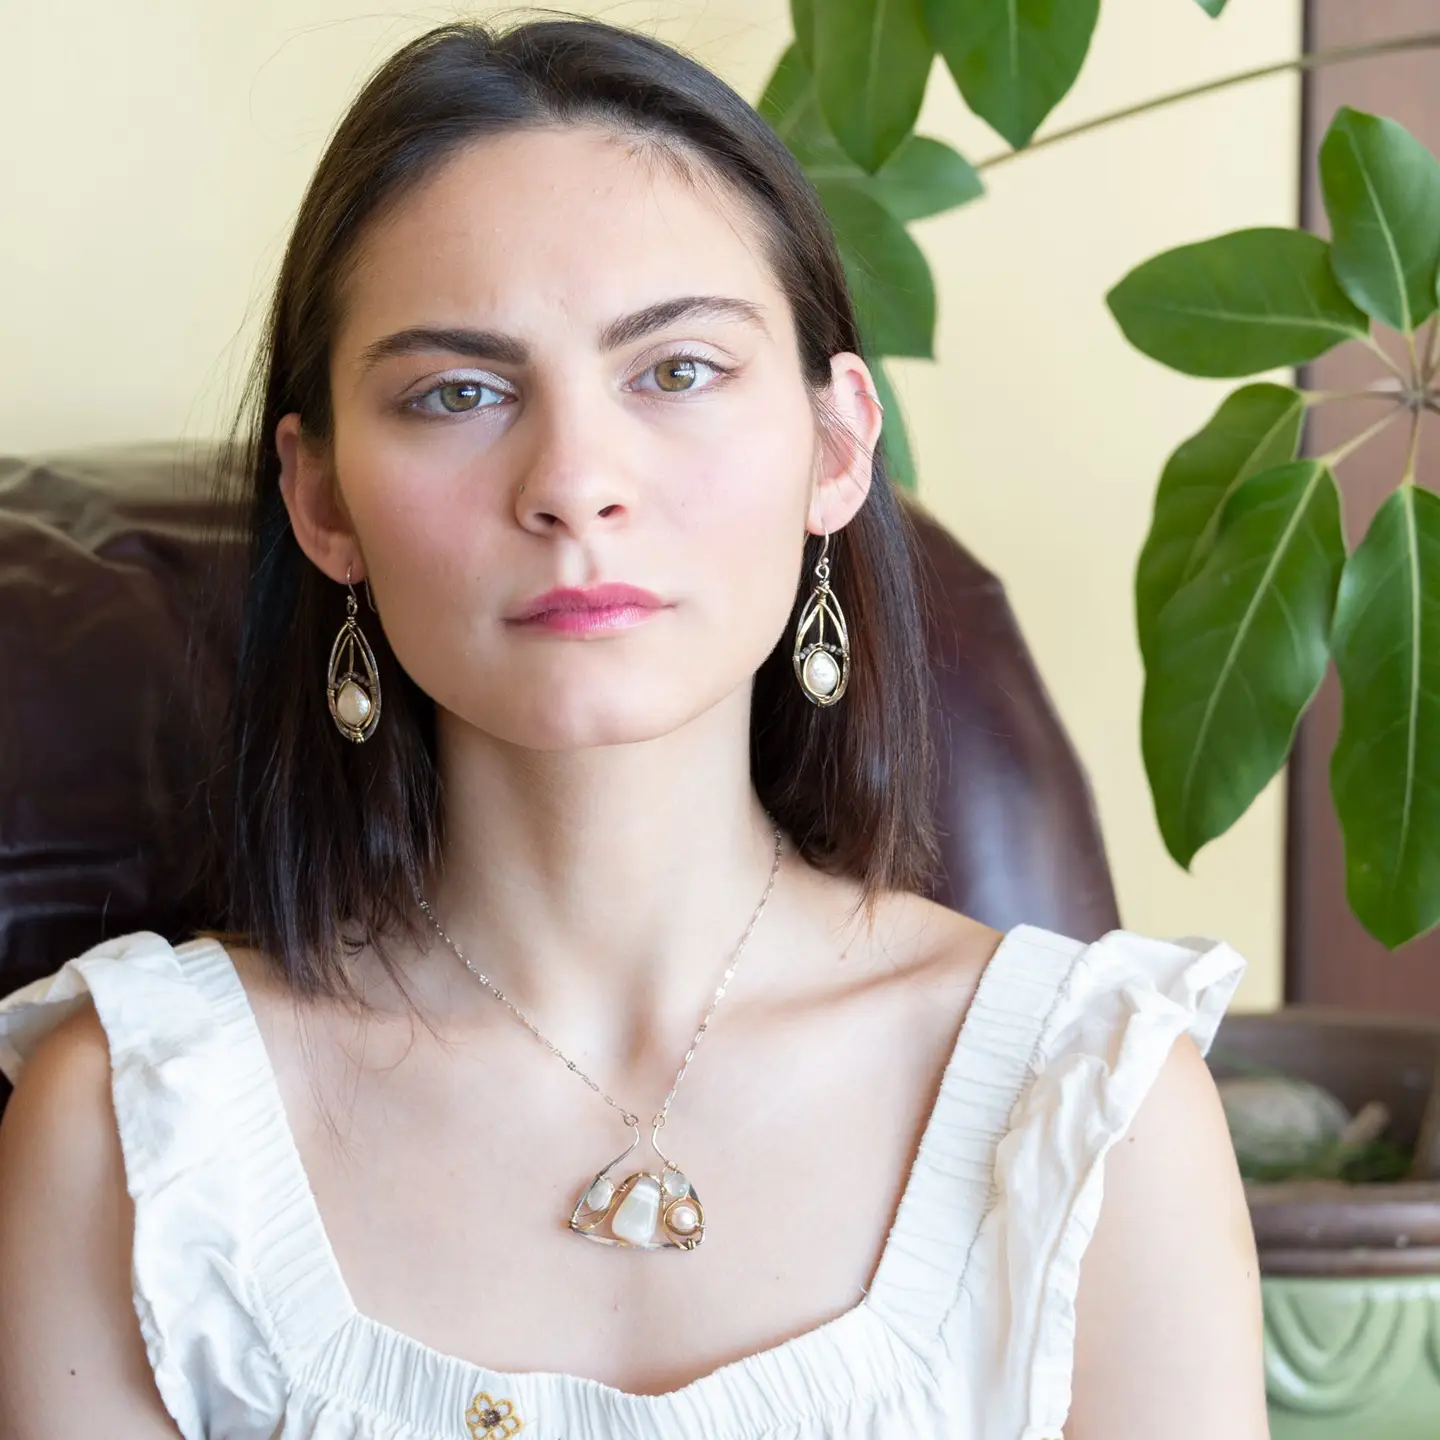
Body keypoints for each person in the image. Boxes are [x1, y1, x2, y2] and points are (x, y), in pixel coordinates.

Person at [0, 16, 1269, 1440]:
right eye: (460, 392)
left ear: (837, 445)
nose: (574, 482)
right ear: (324, 502)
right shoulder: (138, 1129)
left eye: (673, 371)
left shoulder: (1094, 1106)